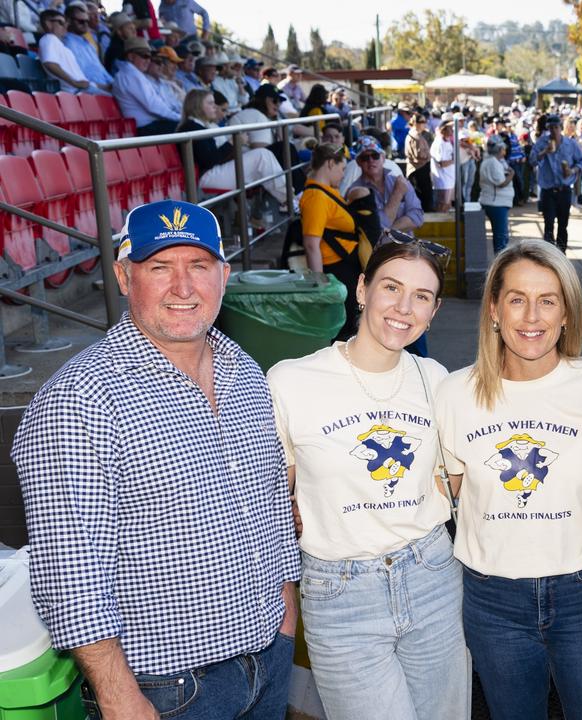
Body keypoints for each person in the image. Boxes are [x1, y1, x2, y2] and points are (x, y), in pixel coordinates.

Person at [13, 200, 298, 720]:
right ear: (124, 276)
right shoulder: (79, 399)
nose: (183, 288)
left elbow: (273, 508)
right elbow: (68, 571)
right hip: (168, 693)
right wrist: (118, 694)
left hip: (268, 661)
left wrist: (285, 620)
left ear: (224, 275)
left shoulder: (246, 372)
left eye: (199, 266)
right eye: (160, 267)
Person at [268, 241, 468, 720]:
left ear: (434, 310)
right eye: (391, 288)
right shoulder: (292, 381)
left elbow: (453, 481)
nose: (403, 308)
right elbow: (276, 499)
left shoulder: (436, 377)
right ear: (362, 289)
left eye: (421, 296)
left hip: (432, 574)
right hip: (340, 590)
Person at [435, 242, 582, 720]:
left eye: (548, 300)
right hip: (493, 597)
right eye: (517, 298)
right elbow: (449, 493)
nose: (532, 315)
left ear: (567, 312)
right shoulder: (454, 393)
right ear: (494, 309)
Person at [296, 142, 378, 341]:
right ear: (330, 164)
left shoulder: (326, 191)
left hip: (345, 268)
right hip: (336, 271)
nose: (343, 174)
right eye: (342, 168)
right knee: (342, 331)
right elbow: (311, 244)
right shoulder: (316, 196)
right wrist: (320, 285)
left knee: (350, 326)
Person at [177, 89, 288, 205]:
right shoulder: (190, 127)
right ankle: (288, 201)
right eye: (210, 103)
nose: (215, 107)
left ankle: (286, 201)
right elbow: (209, 160)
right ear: (197, 106)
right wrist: (233, 143)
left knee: (263, 156)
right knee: (262, 155)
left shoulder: (202, 125)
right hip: (205, 177)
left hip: (213, 171)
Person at [532, 114, 582, 251]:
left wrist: (573, 170)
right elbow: (532, 160)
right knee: (549, 223)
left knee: (563, 225)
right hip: (548, 190)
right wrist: (545, 152)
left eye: (556, 127)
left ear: (560, 128)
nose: (553, 131)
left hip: (564, 189)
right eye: (550, 128)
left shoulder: (570, 143)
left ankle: (561, 255)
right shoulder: (542, 142)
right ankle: (549, 256)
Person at [351, 135, 425, 234]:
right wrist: (397, 194)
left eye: (375, 155)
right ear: (358, 162)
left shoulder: (399, 181)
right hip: (376, 249)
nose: (370, 160)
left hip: (405, 247)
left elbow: (418, 216)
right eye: (365, 158)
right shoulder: (355, 192)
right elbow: (379, 225)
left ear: (383, 158)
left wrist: (389, 232)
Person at [37, 10, 109, 95]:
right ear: (48, 23)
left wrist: (105, 87)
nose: (65, 27)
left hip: (83, 89)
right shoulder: (49, 38)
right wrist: (74, 83)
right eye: (60, 23)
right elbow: (49, 63)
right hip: (75, 92)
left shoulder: (62, 47)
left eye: (65, 24)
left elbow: (81, 81)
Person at [61, 5, 114, 92]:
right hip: (90, 90)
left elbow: (100, 69)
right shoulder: (67, 44)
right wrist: (102, 86)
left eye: (87, 21)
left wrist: (114, 84)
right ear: (69, 21)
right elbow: (80, 77)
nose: (86, 24)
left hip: (104, 87)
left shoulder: (88, 43)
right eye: (81, 21)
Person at [479, 134, 515, 254]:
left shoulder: (495, 161)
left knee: (502, 237)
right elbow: (501, 183)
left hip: (497, 203)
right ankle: (500, 267)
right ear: (499, 149)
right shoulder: (492, 162)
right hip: (496, 204)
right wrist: (511, 175)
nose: (505, 151)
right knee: (501, 239)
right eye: (503, 148)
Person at [405, 113, 433, 210]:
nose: (424, 124)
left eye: (425, 122)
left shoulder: (417, 134)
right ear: (415, 123)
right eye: (421, 122)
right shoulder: (415, 136)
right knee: (424, 198)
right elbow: (419, 155)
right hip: (419, 169)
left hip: (419, 168)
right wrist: (429, 155)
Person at [430, 121, 456, 212]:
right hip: (442, 181)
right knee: (442, 205)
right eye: (449, 128)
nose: (452, 130)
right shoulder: (438, 143)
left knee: (448, 205)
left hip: (449, 178)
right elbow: (441, 163)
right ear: (443, 130)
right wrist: (454, 160)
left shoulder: (447, 141)